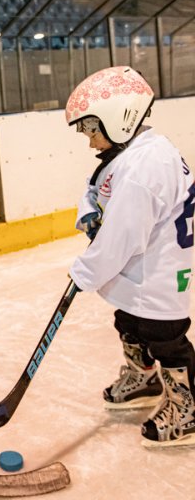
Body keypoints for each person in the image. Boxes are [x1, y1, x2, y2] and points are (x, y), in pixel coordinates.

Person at [66, 65, 195, 447]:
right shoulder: (131, 153)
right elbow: (97, 189)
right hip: (138, 266)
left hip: (160, 269)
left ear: (118, 119)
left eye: (92, 130)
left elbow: (121, 238)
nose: (90, 142)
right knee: (129, 320)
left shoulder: (146, 167)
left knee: (164, 336)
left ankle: (188, 409)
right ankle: (145, 377)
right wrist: (87, 209)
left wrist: (83, 273)